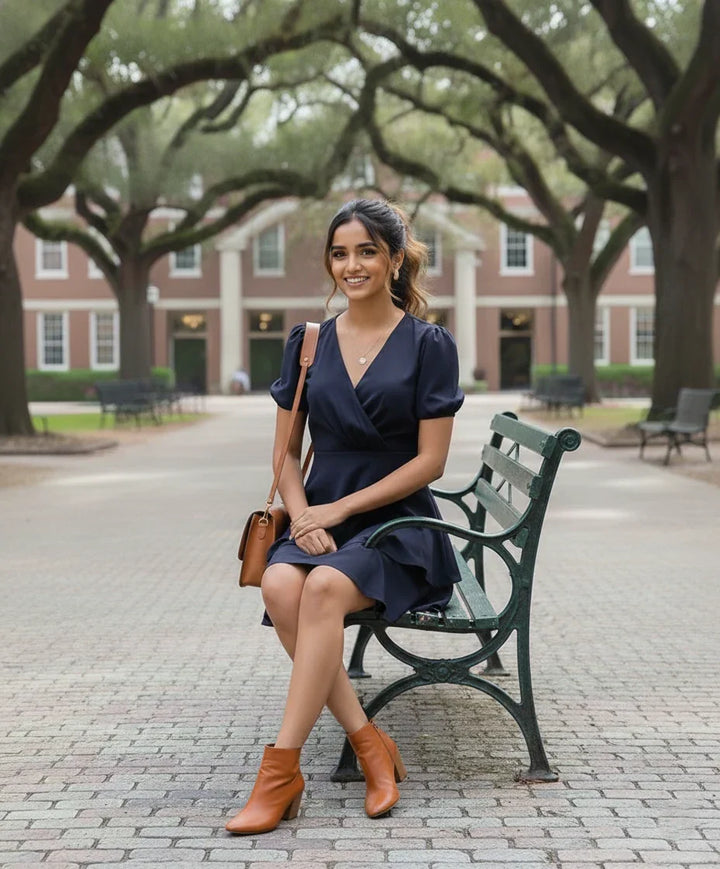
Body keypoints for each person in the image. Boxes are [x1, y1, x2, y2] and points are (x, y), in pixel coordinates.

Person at [226, 198, 465, 835]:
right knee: (281, 584)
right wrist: (304, 517)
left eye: (366, 252)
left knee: (324, 588)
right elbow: (282, 453)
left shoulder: (429, 344)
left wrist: (341, 508)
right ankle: (369, 743)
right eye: (339, 253)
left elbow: (432, 462)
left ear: (393, 260)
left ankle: (279, 774)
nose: (351, 265)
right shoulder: (307, 343)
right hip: (320, 516)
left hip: (396, 523)